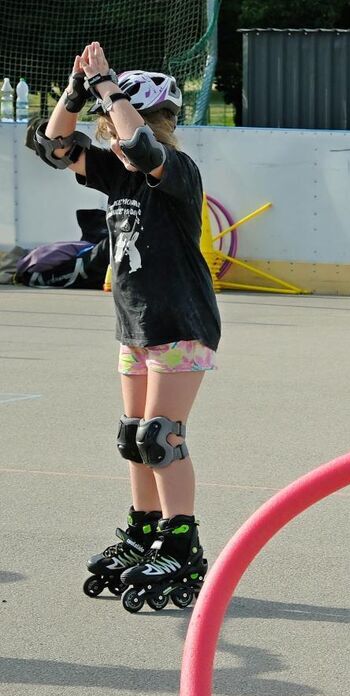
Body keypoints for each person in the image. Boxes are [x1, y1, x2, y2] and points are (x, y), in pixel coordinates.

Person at [30, 42, 219, 612]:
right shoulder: (117, 177)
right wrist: (76, 88)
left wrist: (109, 87)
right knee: (133, 437)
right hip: (135, 324)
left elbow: (139, 143)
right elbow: (53, 146)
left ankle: (182, 543)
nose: (108, 137)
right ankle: (143, 532)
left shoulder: (177, 172)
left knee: (162, 435)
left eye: (111, 125)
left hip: (181, 323)